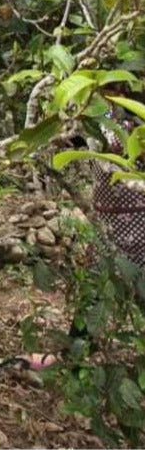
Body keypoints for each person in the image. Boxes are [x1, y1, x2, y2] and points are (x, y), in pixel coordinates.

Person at [26, 88, 145, 370]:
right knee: (94, 288)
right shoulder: (97, 115)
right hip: (109, 221)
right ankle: (74, 359)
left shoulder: (135, 116)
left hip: (140, 220)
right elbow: (75, 139)